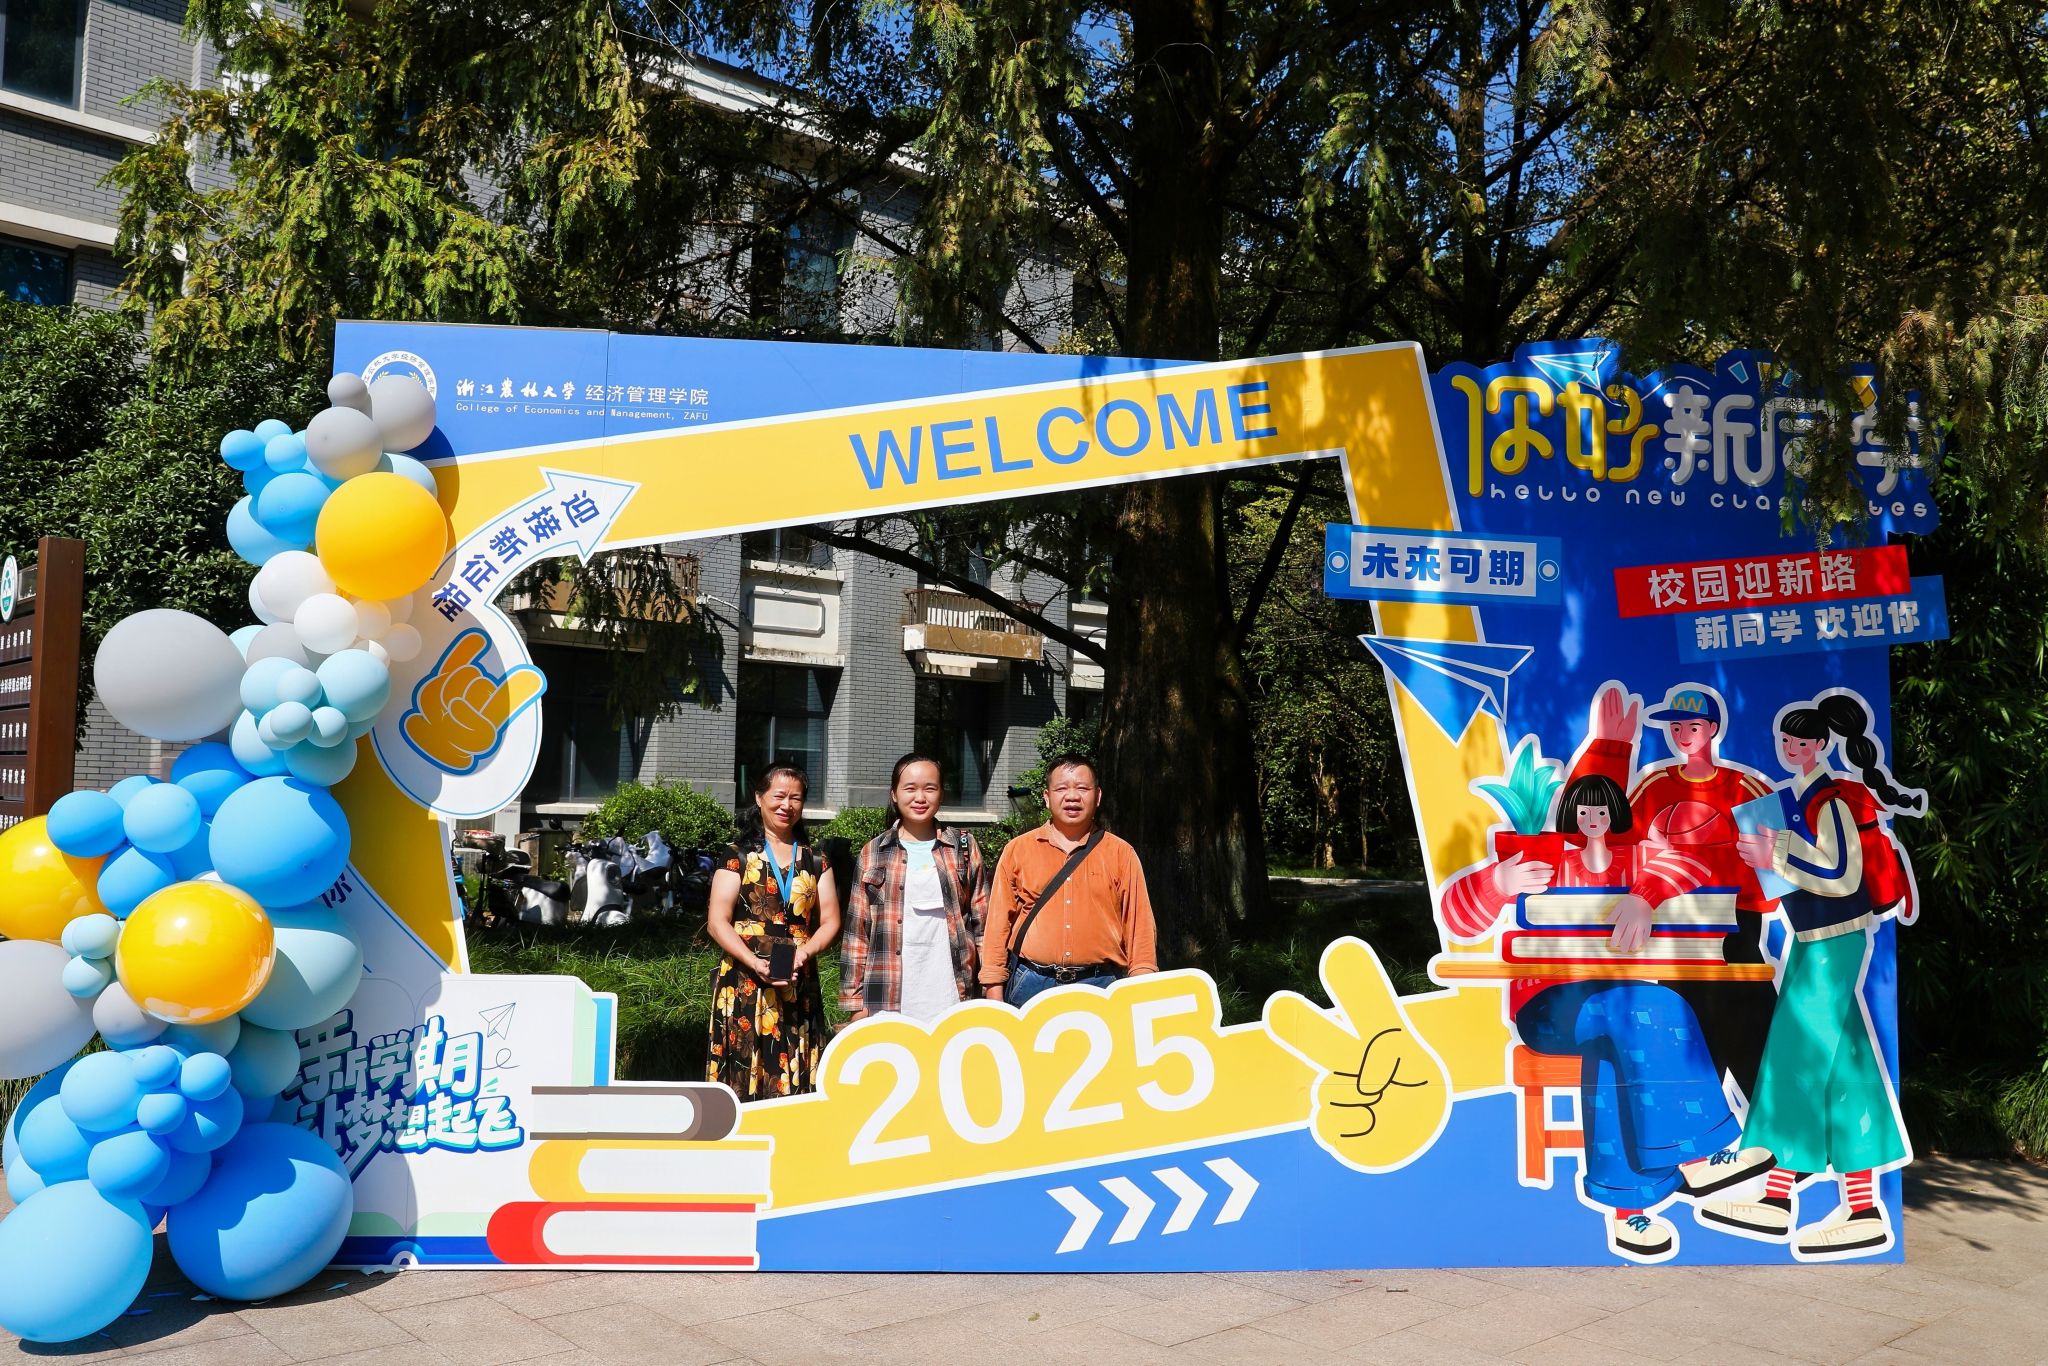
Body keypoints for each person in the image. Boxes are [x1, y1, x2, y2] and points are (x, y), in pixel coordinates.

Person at [1440, 773, 1770, 1263]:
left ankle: (1628, 1211)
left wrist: (1644, 895)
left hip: (1616, 1011)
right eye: (1583, 811)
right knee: (1647, 1009)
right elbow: (1456, 918)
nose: (1591, 819)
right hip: (1549, 1010)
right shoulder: (1547, 861)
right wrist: (1497, 883)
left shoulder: (1634, 860)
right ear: (1570, 815)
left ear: (1613, 815)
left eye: (1600, 811)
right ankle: (1697, 1158)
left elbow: (1690, 864)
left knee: (1621, 1042)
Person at [1701, 693, 1920, 1259]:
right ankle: (1862, 1209)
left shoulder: (1831, 800)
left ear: (1821, 745)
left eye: (1802, 741)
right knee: (1847, 1070)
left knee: (1792, 1058)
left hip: (1836, 939)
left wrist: (1776, 854)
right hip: (1812, 939)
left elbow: (1843, 876)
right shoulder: (1791, 799)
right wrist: (1768, 858)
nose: (1792, 749)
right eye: (1786, 741)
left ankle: (1776, 1195)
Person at [1568, 682, 1778, 1105]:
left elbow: (1774, 882)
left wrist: (1702, 862)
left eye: (1692, 726)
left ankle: (1780, 1128)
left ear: (1713, 729)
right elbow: (1593, 833)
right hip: (1673, 930)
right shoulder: (1654, 785)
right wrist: (1609, 751)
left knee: (1756, 1037)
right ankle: (1700, 1127)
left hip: (1735, 929)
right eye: (1675, 726)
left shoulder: (1746, 787)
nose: (1682, 734)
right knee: (1687, 1041)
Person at [706, 764, 841, 1099]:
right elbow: (717, 921)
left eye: (796, 798)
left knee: (795, 1063)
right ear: (759, 797)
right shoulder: (737, 855)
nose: (787, 805)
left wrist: (804, 953)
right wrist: (753, 961)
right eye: (779, 796)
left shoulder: (817, 859)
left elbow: (830, 922)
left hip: (798, 978)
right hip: (744, 979)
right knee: (743, 1065)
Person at [979, 754, 1157, 1004]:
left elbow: (1139, 930)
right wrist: (994, 991)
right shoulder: (1017, 850)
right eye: (1061, 788)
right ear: (1046, 797)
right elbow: (997, 927)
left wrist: (1142, 992)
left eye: (1082, 788)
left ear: (1098, 796)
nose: (1072, 796)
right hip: (1031, 982)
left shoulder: (1121, 853)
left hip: (1101, 984)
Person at [840, 753, 992, 1024]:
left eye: (930, 788)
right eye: (910, 788)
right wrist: (855, 1003)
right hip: (887, 996)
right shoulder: (873, 852)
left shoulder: (963, 846)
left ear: (941, 794)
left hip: (953, 992)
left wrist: (991, 987)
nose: (920, 797)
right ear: (894, 794)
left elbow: (983, 924)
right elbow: (857, 932)